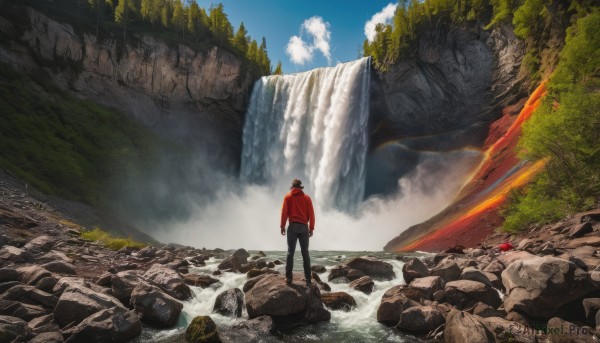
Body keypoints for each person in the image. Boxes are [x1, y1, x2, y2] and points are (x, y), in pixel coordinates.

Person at [280, 179, 315, 286]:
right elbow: (312, 214)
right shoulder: (307, 198)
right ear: (300, 187)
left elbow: (284, 213)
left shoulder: (288, 197)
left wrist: (282, 226)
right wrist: (311, 228)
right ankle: (308, 279)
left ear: (292, 187)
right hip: (304, 227)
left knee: (290, 252)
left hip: (293, 227)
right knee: (305, 253)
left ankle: (289, 278)